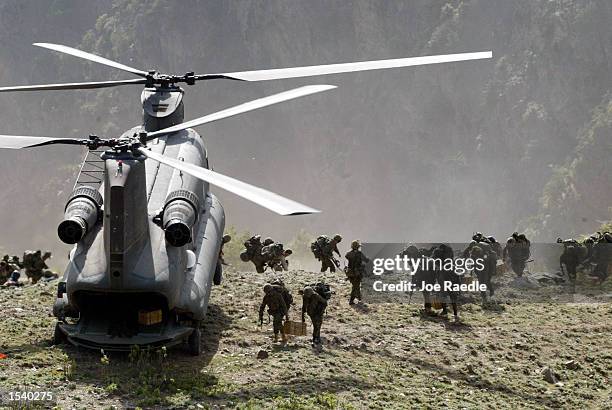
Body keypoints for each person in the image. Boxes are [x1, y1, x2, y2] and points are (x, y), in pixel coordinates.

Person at [344, 240, 370, 305]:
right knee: (355, 286)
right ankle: (351, 300)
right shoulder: (360, 254)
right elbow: (366, 260)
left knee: (356, 285)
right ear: (357, 247)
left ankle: (359, 297)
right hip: (357, 273)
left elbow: (346, 257)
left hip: (350, 272)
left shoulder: (348, 253)